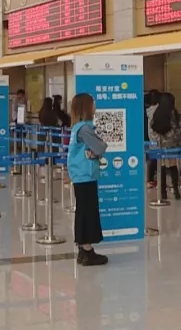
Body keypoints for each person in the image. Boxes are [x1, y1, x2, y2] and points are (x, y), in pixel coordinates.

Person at [67, 93, 108, 266]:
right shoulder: (85, 129)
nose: (95, 106)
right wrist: (97, 151)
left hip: (80, 174)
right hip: (85, 175)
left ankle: (84, 249)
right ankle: (87, 249)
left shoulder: (78, 127)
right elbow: (101, 147)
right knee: (88, 212)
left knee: (83, 211)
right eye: (93, 103)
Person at [149, 92, 181, 200]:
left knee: (162, 167)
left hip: (160, 145)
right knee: (173, 166)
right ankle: (176, 190)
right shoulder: (176, 114)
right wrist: (176, 140)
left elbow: (152, 129)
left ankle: (163, 192)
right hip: (172, 146)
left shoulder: (156, 113)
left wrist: (157, 141)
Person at [144, 90, 160, 189]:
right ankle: (151, 178)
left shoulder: (144, 110)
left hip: (145, 137)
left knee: (147, 159)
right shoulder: (159, 111)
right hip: (155, 138)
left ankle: (148, 179)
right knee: (154, 159)